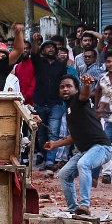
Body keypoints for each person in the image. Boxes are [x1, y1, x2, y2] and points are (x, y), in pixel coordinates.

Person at [44, 74, 112, 215]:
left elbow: (85, 95)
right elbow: (74, 137)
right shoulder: (69, 110)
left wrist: (87, 85)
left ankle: (84, 205)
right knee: (63, 174)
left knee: (83, 164)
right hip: (85, 151)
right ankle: (74, 208)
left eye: (69, 86)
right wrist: (55, 145)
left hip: (101, 147)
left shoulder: (78, 101)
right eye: (62, 87)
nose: (65, 89)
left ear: (76, 89)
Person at [30, 35, 69, 171]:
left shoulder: (61, 66)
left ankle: (50, 161)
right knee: (41, 134)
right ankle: (46, 158)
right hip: (40, 102)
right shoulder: (38, 62)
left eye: (52, 47)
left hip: (56, 103)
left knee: (53, 132)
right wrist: (35, 41)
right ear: (42, 51)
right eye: (47, 47)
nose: (50, 49)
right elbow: (33, 52)